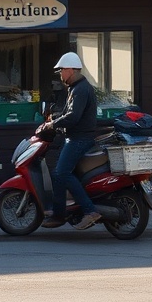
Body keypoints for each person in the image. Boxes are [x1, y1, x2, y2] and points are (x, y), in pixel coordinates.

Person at [41, 52, 101, 230]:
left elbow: (74, 117)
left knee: (62, 173)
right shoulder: (76, 88)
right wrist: (55, 119)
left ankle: (90, 211)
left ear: (70, 70)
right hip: (74, 137)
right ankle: (59, 213)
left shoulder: (81, 89)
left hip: (79, 139)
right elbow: (70, 114)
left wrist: (53, 124)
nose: (60, 75)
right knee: (58, 174)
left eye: (61, 71)